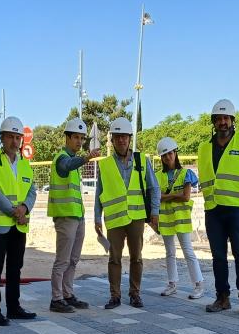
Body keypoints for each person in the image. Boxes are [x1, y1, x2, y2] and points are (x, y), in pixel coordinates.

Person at [197, 98, 239, 317]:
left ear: (232, 120)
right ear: (213, 122)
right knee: (218, 256)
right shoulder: (204, 148)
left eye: (226, 118)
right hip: (213, 209)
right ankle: (222, 298)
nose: (222, 122)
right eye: (219, 119)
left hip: (236, 208)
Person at [94, 117, 159, 309]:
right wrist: (97, 217)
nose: (122, 140)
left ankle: (135, 294)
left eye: (125, 137)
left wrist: (154, 212)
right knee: (114, 258)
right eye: (118, 137)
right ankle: (115, 296)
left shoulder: (141, 160)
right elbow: (99, 193)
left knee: (136, 257)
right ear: (112, 140)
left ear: (130, 139)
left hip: (136, 217)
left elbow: (154, 188)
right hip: (114, 219)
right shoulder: (104, 165)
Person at [0, 116, 38, 325]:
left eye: (18, 138)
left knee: (15, 268)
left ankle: (13, 307)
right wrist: (13, 211)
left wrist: (24, 208)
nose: (15, 142)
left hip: (19, 225)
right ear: (2, 138)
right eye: (11, 137)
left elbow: (32, 190)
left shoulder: (24, 164)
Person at [48, 117, 100, 313]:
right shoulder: (61, 158)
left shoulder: (74, 161)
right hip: (65, 217)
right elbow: (67, 166)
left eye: (81, 138)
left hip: (77, 217)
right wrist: (86, 158)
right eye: (75, 137)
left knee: (73, 259)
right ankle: (56, 299)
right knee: (62, 260)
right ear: (67, 138)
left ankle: (67, 294)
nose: (79, 141)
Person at [155, 137, 204, 299]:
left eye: (170, 153)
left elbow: (186, 197)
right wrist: (174, 195)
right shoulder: (157, 176)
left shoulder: (186, 174)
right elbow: (157, 198)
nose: (168, 157)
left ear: (176, 153)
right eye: (164, 155)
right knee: (169, 252)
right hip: (166, 221)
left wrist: (167, 196)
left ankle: (198, 285)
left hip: (182, 220)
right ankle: (172, 283)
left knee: (188, 251)